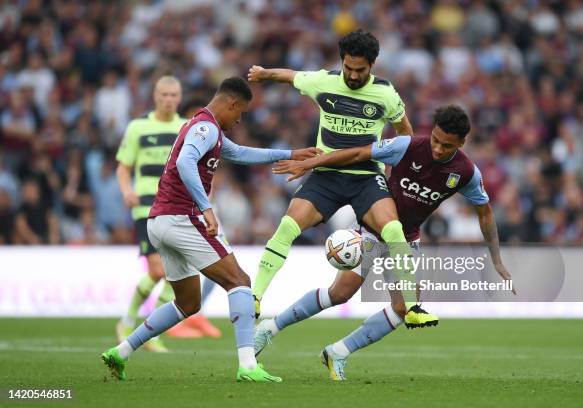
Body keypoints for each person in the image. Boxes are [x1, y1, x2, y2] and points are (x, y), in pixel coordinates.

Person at [263, 105, 515, 380]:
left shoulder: (466, 172)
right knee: (339, 294)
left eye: (447, 146)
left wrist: (497, 259)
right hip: (373, 228)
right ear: (431, 132)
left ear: (462, 143)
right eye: (435, 140)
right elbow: (359, 153)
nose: (439, 149)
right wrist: (314, 162)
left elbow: (486, 214)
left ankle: (338, 352)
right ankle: (270, 327)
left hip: (406, 239)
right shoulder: (406, 146)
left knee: (405, 307)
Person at [101, 76, 319, 382]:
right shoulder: (206, 128)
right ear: (231, 104)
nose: (239, 119)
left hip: (158, 222)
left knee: (187, 303)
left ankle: (120, 351)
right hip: (182, 219)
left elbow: (241, 153)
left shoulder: (203, 126)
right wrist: (206, 208)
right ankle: (248, 365)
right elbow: (185, 163)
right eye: (240, 112)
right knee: (240, 282)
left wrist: (290, 154)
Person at [248, 29, 436, 327]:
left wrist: (395, 168)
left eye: (359, 70)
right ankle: (254, 297)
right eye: (348, 67)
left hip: (366, 178)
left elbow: (406, 135)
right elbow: (291, 75)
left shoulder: (385, 94)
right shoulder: (325, 82)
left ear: (371, 65)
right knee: (287, 226)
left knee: (393, 230)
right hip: (326, 176)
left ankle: (412, 307)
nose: (352, 75)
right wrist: (264, 72)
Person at [114, 76, 220, 353]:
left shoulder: (187, 128)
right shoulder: (138, 127)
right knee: (157, 270)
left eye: (174, 95)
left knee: (176, 273)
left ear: (180, 96)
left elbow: (202, 166)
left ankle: (149, 330)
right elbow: (123, 167)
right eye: (164, 94)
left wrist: (204, 197)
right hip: (146, 206)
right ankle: (127, 323)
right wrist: (126, 190)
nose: (169, 99)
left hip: (178, 207)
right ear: (155, 96)